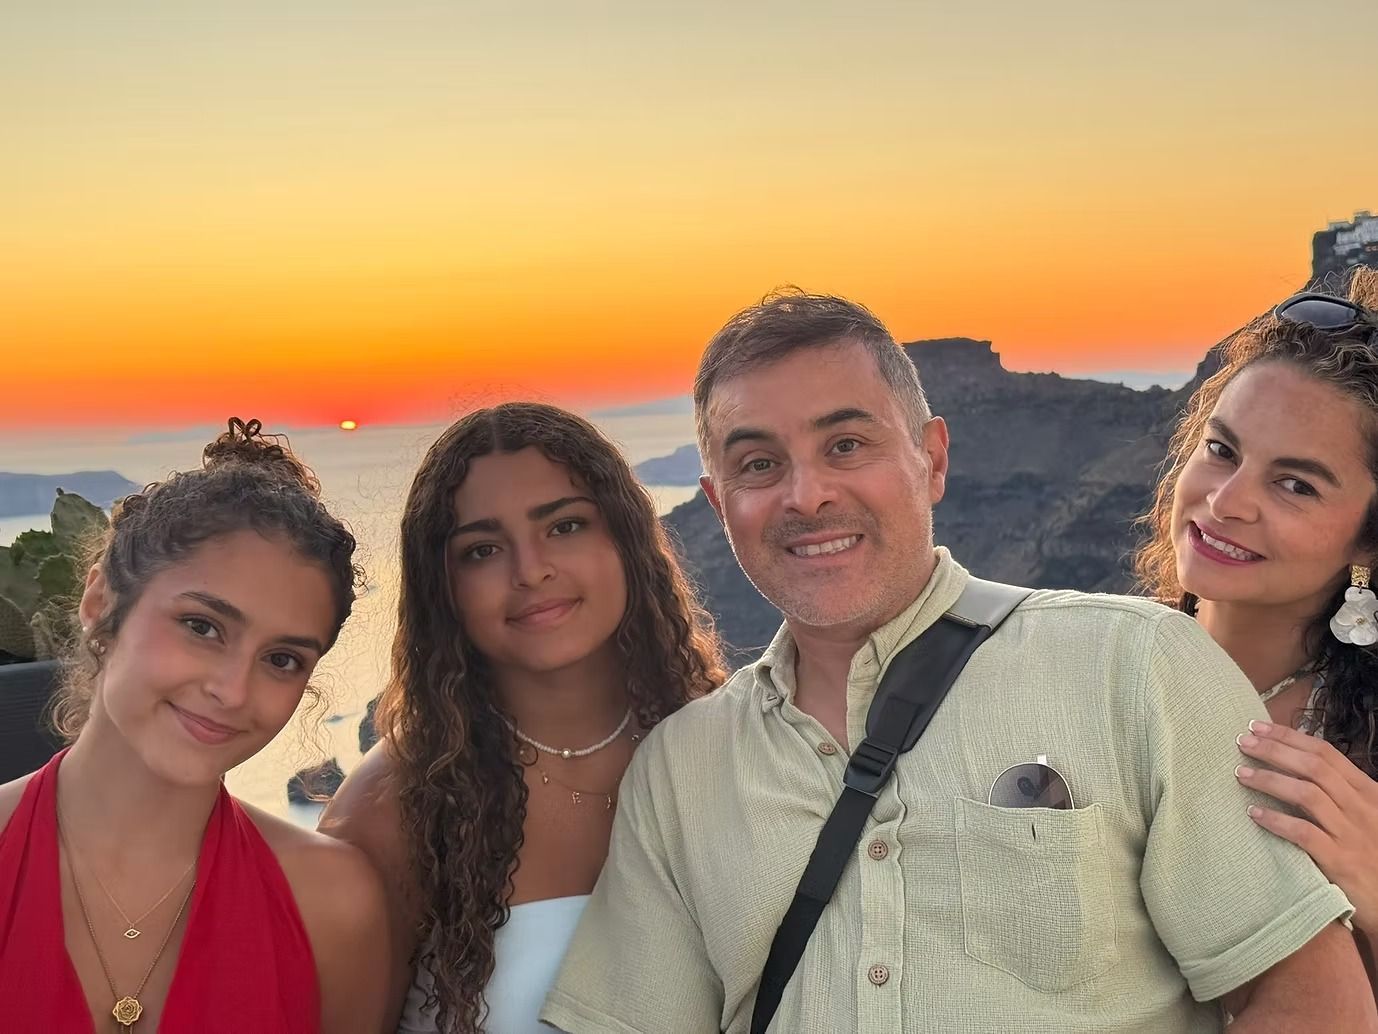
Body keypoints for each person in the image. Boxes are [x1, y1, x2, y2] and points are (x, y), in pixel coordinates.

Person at [542, 292, 1377, 1033]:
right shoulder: (680, 770)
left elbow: (1310, 999)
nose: (805, 496)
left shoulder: (1137, 666)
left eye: (846, 445)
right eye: (759, 464)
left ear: (933, 459)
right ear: (718, 503)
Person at [318, 402, 725, 1033]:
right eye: (481, 550)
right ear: (442, 590)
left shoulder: (726, 747)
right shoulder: (396, 809)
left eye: (564, 527)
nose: (530, 569)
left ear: (626, 538)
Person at [0, 418, 390, 1033]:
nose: (233, 691)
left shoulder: (333, 905)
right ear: (101, 604)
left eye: (281, 660)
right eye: (202, 626)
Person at [1136, 268, 1378, 990]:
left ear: (1368, 544)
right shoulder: (1097, 661)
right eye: (1222, 451)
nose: (1227, 502)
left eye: (1296, 484)